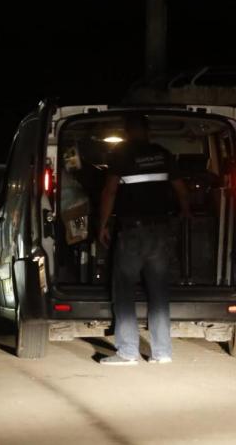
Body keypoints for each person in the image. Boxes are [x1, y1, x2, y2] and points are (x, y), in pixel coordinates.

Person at [98, 114, 191, 366]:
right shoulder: (163, 154)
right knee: (159, 290)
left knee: (124, 289)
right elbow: (181, 190)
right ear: (148, 132)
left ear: (127, 132)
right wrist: (185, 213)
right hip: (160, 232)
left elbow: (110, 191)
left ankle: (128, 352)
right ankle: (163, 352)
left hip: (132, 233)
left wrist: (102, 224)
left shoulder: (121, 154)